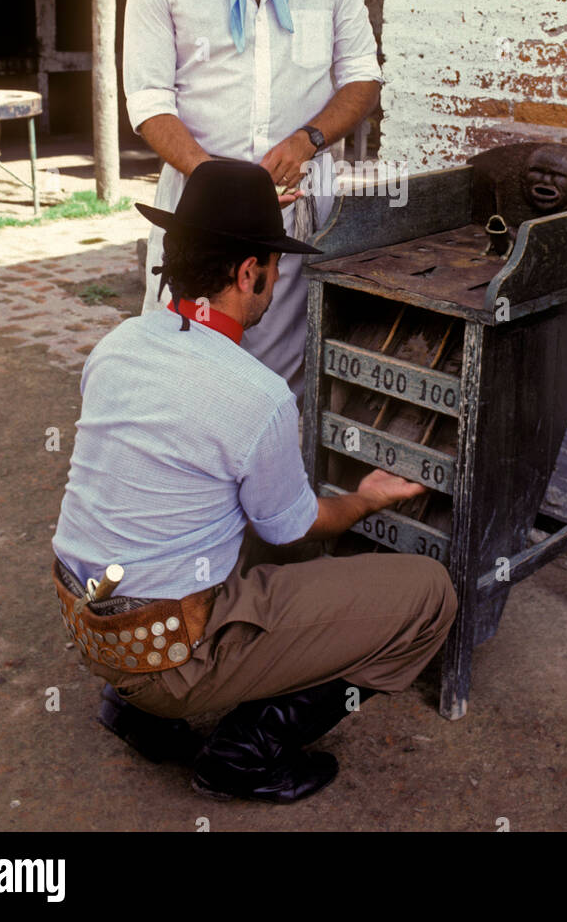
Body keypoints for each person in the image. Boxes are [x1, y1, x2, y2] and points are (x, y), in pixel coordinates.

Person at [51, 160, 457, 805]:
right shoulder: (257, 395)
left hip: (89, 622)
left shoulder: (118, 344)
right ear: (249, 273)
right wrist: (364, 499)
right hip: (167, 653)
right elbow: (294, 527)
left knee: (210, 520)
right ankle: (246, 751)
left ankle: (135, 709)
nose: (275, 281)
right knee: (429, 594)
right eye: (272, 265)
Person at [123, 0, 382, 402]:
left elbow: (363, 78)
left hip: (299, 209)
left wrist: (309, 138)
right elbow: (149, 102)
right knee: (185, 367)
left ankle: (270, 493)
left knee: (278, 379)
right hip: (196, 204)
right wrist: (219, 183)